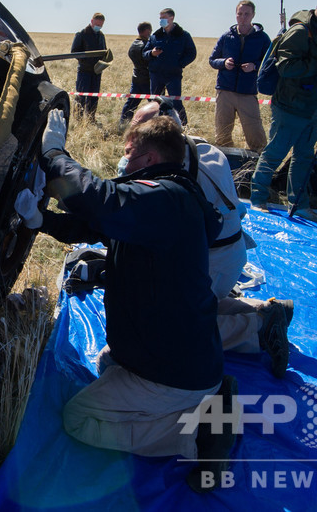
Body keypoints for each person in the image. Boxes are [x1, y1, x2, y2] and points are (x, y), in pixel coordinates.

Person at [28, 110, 236, 491]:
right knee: (107, 362)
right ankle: (200, 400)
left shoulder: (166, 200)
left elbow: (99, 201)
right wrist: (40, 221)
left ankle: (196, 434)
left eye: (128, 153)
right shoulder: (162, 204)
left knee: (79, 419)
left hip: (177, 372)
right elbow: (91, 224)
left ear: (150, 159)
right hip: (177, 355)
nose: (123, 162)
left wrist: (54, 154)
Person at [131, 101, 293, 379]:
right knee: (193, 299)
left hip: (212, 261)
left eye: (139, 130)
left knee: (166, 327)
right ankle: (265, 311)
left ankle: (258, 330)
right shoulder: (204, 148)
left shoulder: (172, 168)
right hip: (230, 253)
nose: (134, 136)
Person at [249, 0, 317, 222]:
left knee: (305, 157)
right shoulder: (299, 32)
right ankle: (258, 199)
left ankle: (299, 204)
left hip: (311, 105)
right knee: (275, 153)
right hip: (289, 106)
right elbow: (286, 68)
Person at [209, 0, 271, 151]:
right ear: (236, 15)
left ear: (253, 15)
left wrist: (254, 66)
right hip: (225, 92)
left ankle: (258, 166)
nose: (243, 17)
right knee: (222, 135)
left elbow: (269, 63)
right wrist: (224, 63)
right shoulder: (226, 36)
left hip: (247, 93)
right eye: (240, 14)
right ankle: (226, 166)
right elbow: (212, 60)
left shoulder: (262, 38)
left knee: (255, 134)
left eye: (246, 14)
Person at [144, 8, 197, 125]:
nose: (161, 20)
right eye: (160, 18)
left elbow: (192, 53)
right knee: (155, 102)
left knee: (176, 102)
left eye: (164, 17)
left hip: (173, 75)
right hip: (156, 74)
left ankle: (183, 126)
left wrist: (180, 64)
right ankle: (156, 125)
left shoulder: (183, 35)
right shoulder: (156, 36)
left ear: (171, 18)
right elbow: (145, 53)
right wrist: (152, 53)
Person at [71, 13, 107, 119]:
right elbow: (74, 51)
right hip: (84, 71)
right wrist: (87, 60)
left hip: (96, 72)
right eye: (97, 24)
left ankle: (91, 117)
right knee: (81, 95)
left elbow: (104, 51)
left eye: (101, 25)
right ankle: (78, 118)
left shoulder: (101, 36)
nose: (99, 27)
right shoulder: (81, 34)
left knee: (94, 96)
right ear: (92, 21)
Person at [119, 22, 153, 128]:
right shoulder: (146, 45)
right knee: (155, 104)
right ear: (147, 30)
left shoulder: (133, 44)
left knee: (131, 103)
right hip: (148, 79)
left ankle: (123, 124)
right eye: (150, 31)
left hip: (136, 77)